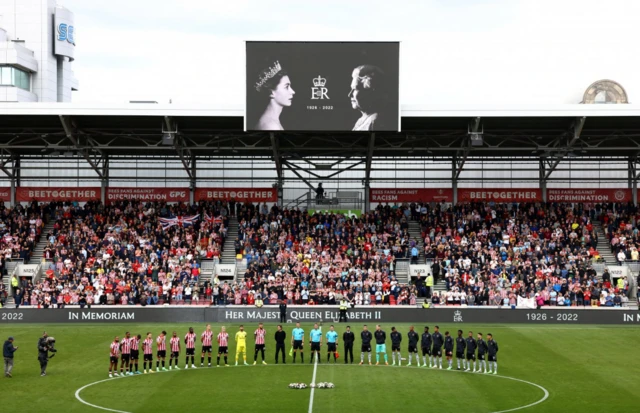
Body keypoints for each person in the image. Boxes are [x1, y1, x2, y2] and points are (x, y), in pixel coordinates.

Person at [254, 60, 295, 130]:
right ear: (271, 92)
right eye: (286, 87)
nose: (293, 92)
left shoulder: (272, 121)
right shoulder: (271, 126)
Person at [348, 65, 387, 131]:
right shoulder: (361, 120)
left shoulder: (374, 121)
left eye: (355, 89)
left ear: (370, 93)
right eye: (351, 89)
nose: (349, 94)